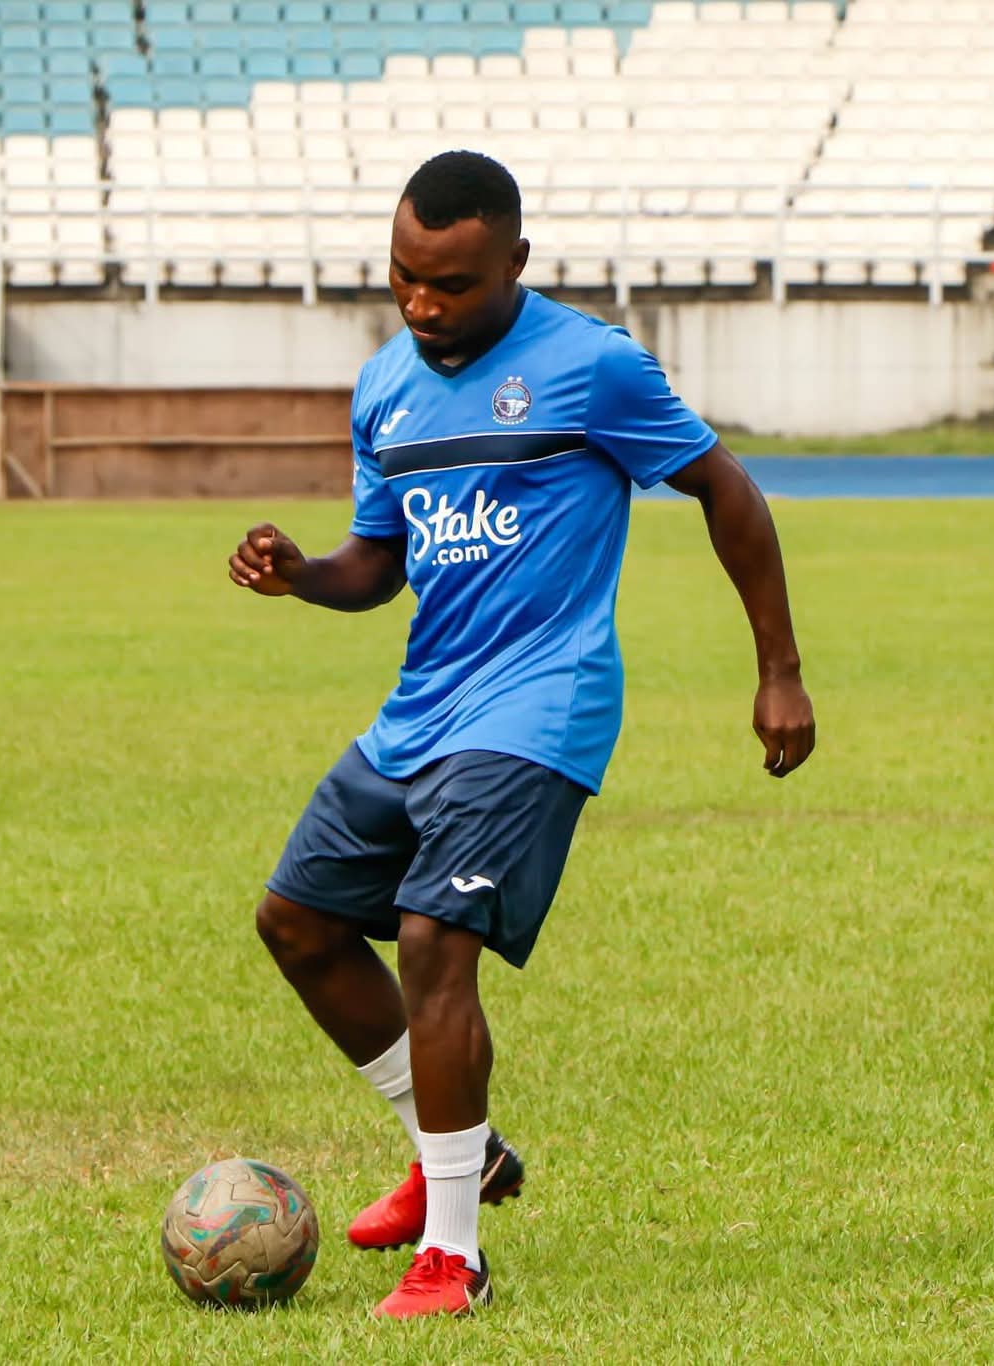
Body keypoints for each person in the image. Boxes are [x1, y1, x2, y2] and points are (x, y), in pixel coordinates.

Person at [227, 150, 815, 1319]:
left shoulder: (590, 366)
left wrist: (778, 671)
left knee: (431, 934)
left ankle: (453, 1256)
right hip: (422, 708)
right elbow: (377, 565)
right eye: (401, 278)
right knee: (296, 922)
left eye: (449, 284)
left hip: (539, 706)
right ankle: (463, 1150)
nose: (421, 305)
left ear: (515, 264)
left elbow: (726, 488)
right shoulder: (384, 386)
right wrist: (302, 576)